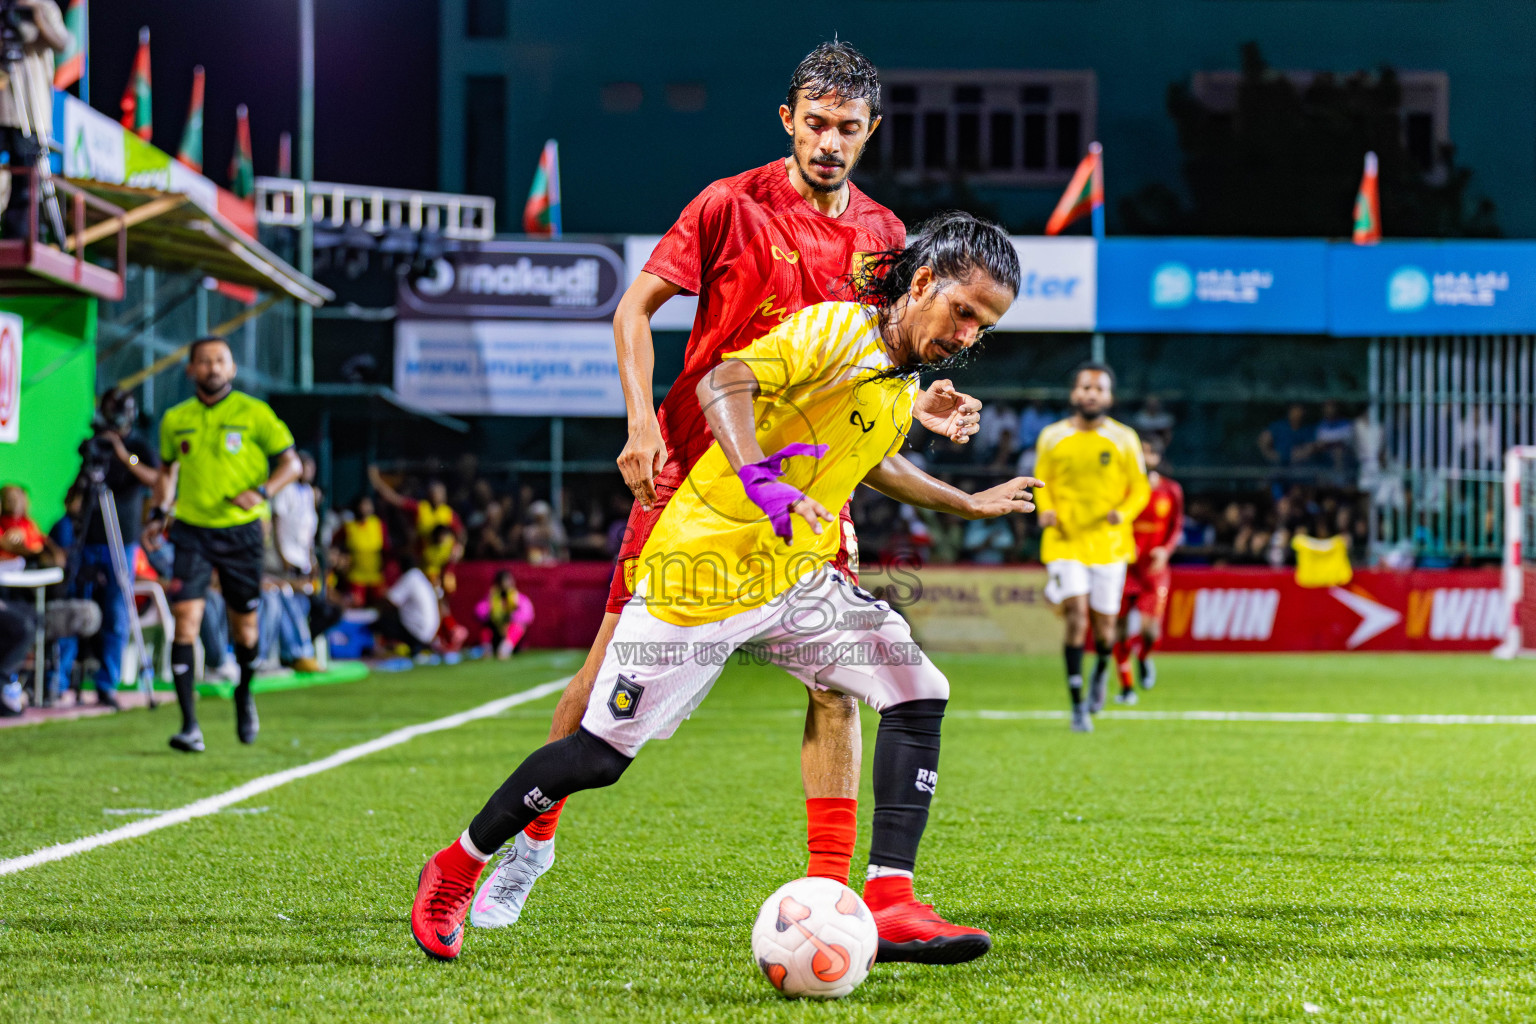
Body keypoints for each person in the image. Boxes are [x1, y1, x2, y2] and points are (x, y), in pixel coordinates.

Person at [466, 42, 1030, 934]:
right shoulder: (731, 204)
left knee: (840, 685)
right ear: (788, 121)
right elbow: (633, 309)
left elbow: (874, 358)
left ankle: (834, 895)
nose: (830, 142)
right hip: (698, 470)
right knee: (601, 674)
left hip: (810, 489)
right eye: (816, 124)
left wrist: (921, 402)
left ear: (870, 131)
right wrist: (641, 422)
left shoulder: (886, 237)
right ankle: (532, 844)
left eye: (849, 128)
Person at [140, 336, 302, 753]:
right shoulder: (176, 418)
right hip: (191, 531)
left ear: (231, 368)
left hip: (241, 532)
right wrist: (158, 513)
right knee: (185, 621)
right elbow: (166, 474)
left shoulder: (255, 413)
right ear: (191, 369)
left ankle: (244, 693)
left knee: (244, 628)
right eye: (204, 361)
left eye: (220, 360)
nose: (212, 367)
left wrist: (263, 492)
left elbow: (292, 463)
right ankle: (189, 725)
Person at [1034, 363, 1150, 733]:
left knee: (1104, 630)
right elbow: (1042, 482)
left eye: (1098, 389)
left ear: (1109, 397)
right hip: (1065, 542)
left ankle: (1101, 668)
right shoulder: (1052, 437)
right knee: (1077, 616)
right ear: (1074, 394)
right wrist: (1046, 510)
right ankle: (1077, 703)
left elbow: (1141, 488)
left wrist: (1124, 512)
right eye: (1085, 387)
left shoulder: (1124, 438)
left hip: (1110, 546)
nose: (1091, 393)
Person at [54, 389, 160, 709]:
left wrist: (122, 453)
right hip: (86, 539)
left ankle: (106, 684)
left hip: (121, 540)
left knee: (116, 613)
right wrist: (88, 472)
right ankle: (59, 684)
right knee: (74, 608)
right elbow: (70, 501)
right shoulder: (95, 449)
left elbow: (154, 478)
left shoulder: (138, 446)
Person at [1113, 437, 1183, 701]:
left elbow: (1176, 526)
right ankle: (1127, 687)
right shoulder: (1121, 489)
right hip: (1124, 565)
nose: (1144, 457)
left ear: (1157, 458)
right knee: (1118, 629)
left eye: (1149, 453)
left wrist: (1165, 550)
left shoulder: (1171, 490)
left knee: (1150, 631)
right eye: (1139, 453)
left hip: (1153, 568)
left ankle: (1144, 656)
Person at [0, 0, 68, 240]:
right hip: (3, 105)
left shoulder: (44, 6)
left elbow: (63, 43)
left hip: (29, 110)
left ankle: (18, 237)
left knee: (25, 177)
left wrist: (35, 14)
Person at [262, 451, 321, 673]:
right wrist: (282, 556)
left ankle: (298, 652)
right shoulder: (283, 489)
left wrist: (312, 558)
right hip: (282, 559)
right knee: (285, 600)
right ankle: (296, 652)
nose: (309, 471)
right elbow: (276, 525)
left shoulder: (308, 493)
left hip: (301, 559)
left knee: (301, 605)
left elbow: (308, 531)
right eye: (305, 466)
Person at [368, 467, 463, 579]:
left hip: (444, 565)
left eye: (440, 492)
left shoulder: (449, 514)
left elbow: (461, 533)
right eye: (435, 491)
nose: (437, 494)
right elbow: (396, 500)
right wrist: (376, 480)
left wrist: (460, 547)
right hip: (423, 563)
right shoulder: (420, 508)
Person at [375, 560, 439, 657]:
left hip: (418, 631)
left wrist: (380, 597)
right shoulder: (420, 577)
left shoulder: (411, 576)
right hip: (430, 631)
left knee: (381, 621)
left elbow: (391, 601)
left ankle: (380, 650)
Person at [339, 494, 388, 606]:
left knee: (380, 606)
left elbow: (386, 549)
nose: (365, 508)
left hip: (376, 576)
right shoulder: (349, 527)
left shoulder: (378, 525)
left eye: (368, 504)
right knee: (356, 605)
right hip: (356, 576)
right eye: (363, 505)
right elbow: (335, 544)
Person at [477, 570, 533, 659]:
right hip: (496, 632)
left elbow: (528, 616)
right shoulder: (491, 597)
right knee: (486, 629)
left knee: (518, 627)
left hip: (511, 637)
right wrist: (490, 603)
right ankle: (487, 650)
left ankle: (505, 649)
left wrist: (509, 619)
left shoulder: (518, 598)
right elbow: (479, 613)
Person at [0, 484, 45, 560]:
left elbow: (38, 544)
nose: (14, 502)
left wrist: (23, 534)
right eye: (9, 499)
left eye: (18, 498)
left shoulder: (29, 523)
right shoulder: (2, 522)